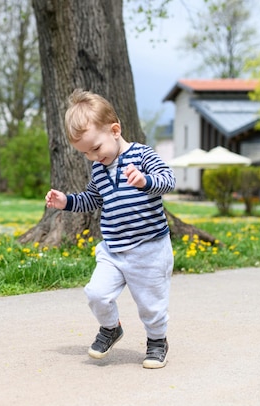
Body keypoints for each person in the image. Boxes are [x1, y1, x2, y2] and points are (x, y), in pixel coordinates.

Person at [45, 89, 176, 369]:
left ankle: (156, 341)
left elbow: (168, 179)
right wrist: (66, 201)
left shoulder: (142, 155)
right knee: (96, 293)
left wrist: (145, 181)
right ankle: (110, 328)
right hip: (114, 249)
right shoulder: (99, 169)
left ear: (114, 130)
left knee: (151, 306)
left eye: (96, 148)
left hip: (149, 248)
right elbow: (91, 199)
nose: (93, 157)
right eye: (85, 153)